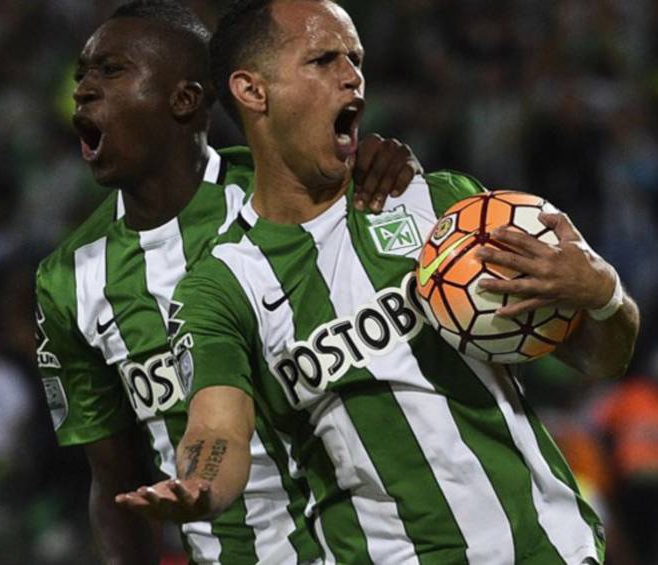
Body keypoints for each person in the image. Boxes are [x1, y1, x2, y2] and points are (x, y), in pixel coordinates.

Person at [116, 1, 640, 563]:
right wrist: (200, 484)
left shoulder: (443, 205)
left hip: (551, 549)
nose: (352, 76)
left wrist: (603, 294)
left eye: (356, 59)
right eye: (323, 59)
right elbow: (217, 428)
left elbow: (602, 357)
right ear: (252, 90)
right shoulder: (220, 286)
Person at [34, 1, 422, 563]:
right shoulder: (68, 280)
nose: (83, 90)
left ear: (185, 99)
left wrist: (389, 167)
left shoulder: (290, 194)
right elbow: (114, 477)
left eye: (110, 71)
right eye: (82, 75)